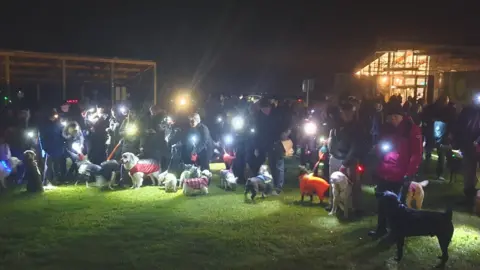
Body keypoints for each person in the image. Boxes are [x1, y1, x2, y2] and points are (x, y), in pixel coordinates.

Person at [368, 102, 422, 238]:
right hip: (385, 170)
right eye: (390, 117)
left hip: (400, 173)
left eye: (395, 117)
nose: (393, 120)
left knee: (398, 205)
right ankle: (381, 228)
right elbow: (381, 146)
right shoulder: (386, 128)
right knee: (382, 202)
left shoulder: (411, 129)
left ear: (402, 116)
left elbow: (416, 153)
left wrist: (409, 173)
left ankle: (397, 231)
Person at [250, 98, 290, 195]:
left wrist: (286, 132)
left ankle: (278, 188)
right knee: (272, 165)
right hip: (267, 143)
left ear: (270, 107)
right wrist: (257, 147)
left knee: (279, 165)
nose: (265, 111)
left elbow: (286, 125)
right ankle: (271, 186)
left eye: (267, 108)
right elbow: (258, 133)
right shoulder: (259, 117)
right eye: (263, 109)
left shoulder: (277, 114)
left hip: (278, 142)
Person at [327, 102, 362, 212]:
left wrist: (346, 161)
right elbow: (332, 137)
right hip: (335, 157)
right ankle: (333, 203)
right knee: (333, 181)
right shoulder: (337, 123)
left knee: (352, 183)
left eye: (348, 112)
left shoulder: (356, 126)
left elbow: (355, 146)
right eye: (343, 112)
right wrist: (332, 150)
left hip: (349, 159)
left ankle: (355, 207)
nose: (345, 114)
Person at [452, 95, 480, 211]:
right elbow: (459, 126)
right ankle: (470, 196)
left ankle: (474, 197)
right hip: (468, 146)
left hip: (473, 145)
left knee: (471, 171)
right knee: (469, 172)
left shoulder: (468, 111)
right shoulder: (467, 111)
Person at [39, 109, 66, 185]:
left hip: (58, 147)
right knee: (49, 165)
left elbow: (63, 135)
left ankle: (56, 179)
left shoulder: (58, 124)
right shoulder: (45, 125)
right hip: (49, 148)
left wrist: (63, 143)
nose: (55, 117)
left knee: (57, 165)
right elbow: (42, 137)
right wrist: (44, 148)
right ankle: (47, 180)